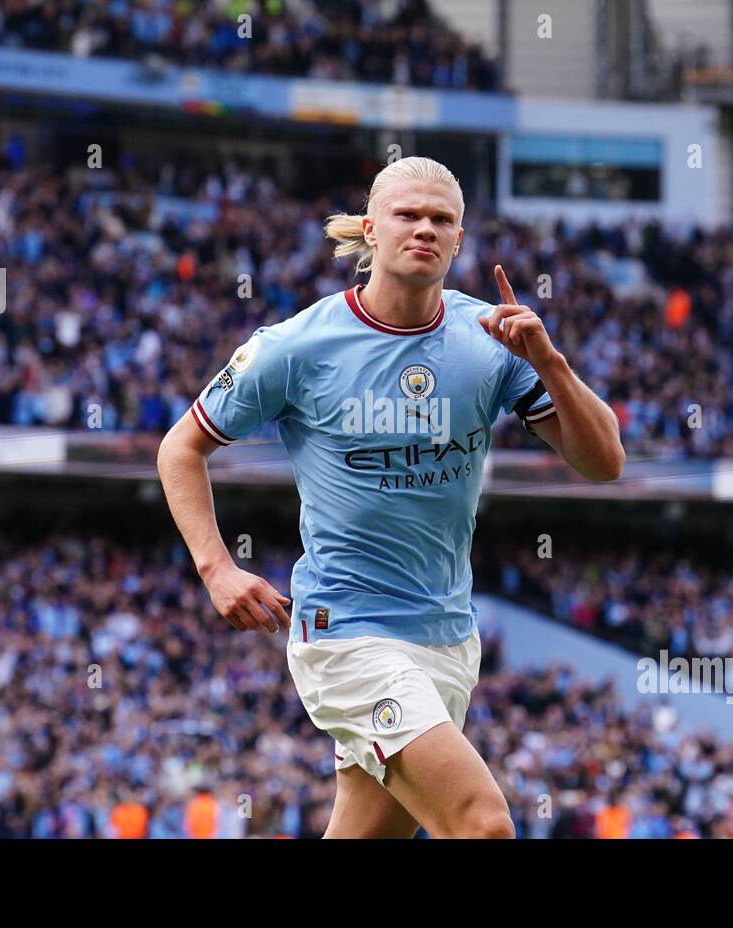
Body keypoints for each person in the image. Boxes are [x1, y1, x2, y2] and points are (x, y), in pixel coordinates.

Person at [158, 156, 624, 838]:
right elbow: (180, 447)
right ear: (371, 231)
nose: (425, 230)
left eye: (442, 220)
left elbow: (604, 461)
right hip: (345, 635)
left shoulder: (493, 340)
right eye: (408, 215)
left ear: (460, 240)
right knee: (483, 823)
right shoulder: (297, 346)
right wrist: (215, 566)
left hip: (446, 637)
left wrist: (549, 362)